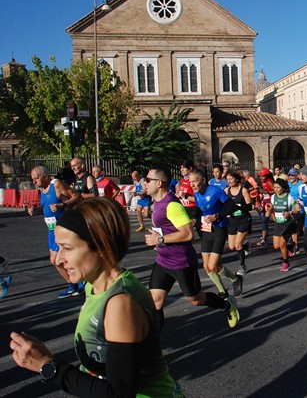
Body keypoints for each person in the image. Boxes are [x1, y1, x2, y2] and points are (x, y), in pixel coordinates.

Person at [10, 198, 184, 397]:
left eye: (67, 248)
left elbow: (119, 394)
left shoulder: (120, 304)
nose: (58, 259)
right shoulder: (94, 284)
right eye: (58, 247)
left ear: (101, 247)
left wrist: (46, 365)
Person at [144, 167, 239, 328]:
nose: (143, 183)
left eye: (147, 180)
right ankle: (153, 348)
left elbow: (188, 234)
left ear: (158, 183)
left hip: (181, 262)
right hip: (163, 261)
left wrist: (160, 239)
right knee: (155, 302)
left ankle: (226, 305)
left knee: (196, 299)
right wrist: (159, 240)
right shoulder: (157, 203)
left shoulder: (171, 205)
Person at [189, 169, 245, 298]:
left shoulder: (215, 191)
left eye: (194, 181)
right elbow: (199, 209)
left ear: (203, 180)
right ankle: (222, 291)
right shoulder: (196, 193)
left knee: (213, 265)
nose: (192, 185)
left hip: (219, 229)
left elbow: (232, 207)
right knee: (207, 266)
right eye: (190, 182)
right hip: (206, 230)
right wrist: (194, 218)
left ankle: (235, 280)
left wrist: (217, 216)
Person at [28, 166, 82, 298]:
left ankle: (78, 282)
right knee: (54, 260)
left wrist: (63, 205)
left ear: (45, 176)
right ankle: (74, 285)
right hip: (51, 230)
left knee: (58, 258)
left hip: (63, 228)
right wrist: (36, 210)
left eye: (36, 178)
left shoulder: (56, 184)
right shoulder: (42, 188)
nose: (34, 182)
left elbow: (77, 196)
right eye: (33, 179)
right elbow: (47, 207)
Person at [225, 170, 253, 276]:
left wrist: (239, 206)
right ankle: (245, 245)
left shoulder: (243, 190)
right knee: (232, 246)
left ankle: (242, 266)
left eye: (231, 179)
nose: (229, 181)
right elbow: (223, 204)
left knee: (237, 245)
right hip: (232, 220)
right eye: (228, 179)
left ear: (236, 179)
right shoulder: (226, 190)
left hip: (244, 219)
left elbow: (249, 206)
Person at [268, 179, 297, 271]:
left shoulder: (289, 198)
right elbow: (271, 207)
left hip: (287, 223)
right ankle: (291, 246)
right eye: (275, 187)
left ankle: (285, 262)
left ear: (283, 188)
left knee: (282, 245)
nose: (276, 189)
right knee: (276, 246)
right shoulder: (273, 197)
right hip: (278, 223)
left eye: (278, 188)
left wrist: (290, 212)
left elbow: (297, 209)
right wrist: (270, 212)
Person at [175, 160, 202, 236]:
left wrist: (185, 196)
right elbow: (180, 193)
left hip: (195, 209)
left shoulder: (194, 181)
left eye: (184, 168)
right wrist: (178, 195)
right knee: (184, 232)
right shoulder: (182, 180)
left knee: (202, 233)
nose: (182, 170)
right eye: (181, 168)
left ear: (190, 168)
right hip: (185, 208)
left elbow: (199, 199)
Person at [256, 168, 275, 247]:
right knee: (264, 220)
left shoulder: (269, 182)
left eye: (263, 176)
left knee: (276, 220)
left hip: (272, 203)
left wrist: (267, 192)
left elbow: (276, 190)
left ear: (267, 176)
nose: (261, 178)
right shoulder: (263, 182)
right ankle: (264, 238)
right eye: (261, 176)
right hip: (266, 203)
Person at [287, 167, 304, 254]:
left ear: (297, 175)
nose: (290, 176)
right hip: (292, 209)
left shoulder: (301, 184)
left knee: (301, 228)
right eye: (289, 175)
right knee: (294, 228)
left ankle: (301, 232)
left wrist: (300, 200)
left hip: (301, 209)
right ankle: (296, 246)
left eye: (292, 175)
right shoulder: (288, 184)